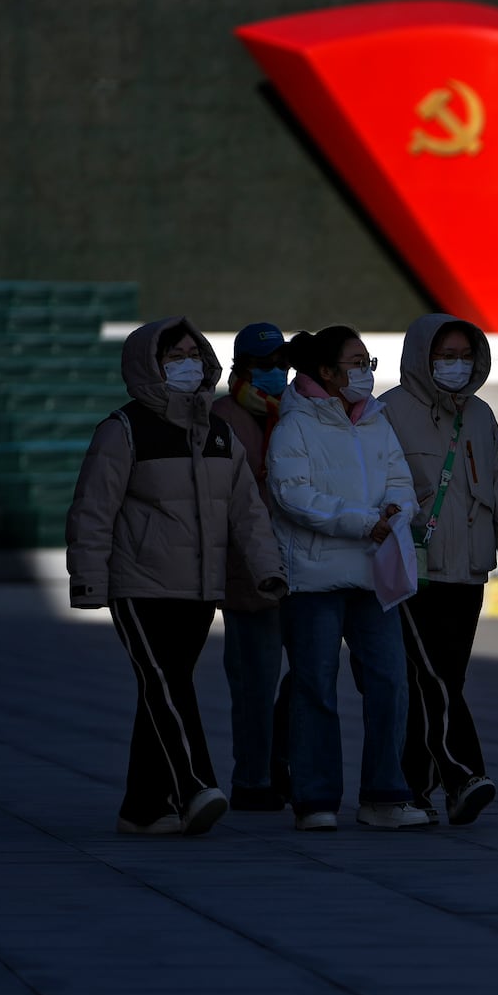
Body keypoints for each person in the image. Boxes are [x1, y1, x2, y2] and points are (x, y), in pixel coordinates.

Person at [66, 316, 286, 835]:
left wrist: (267, 570)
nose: (187, 363)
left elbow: (247, 512)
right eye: (174, 356)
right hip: (138, 585)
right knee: (165, 684)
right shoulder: (123, 430)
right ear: (150, 364)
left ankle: (142, 808)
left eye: (193, 353)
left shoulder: (216, 432)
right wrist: (89, 581)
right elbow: (93, 510)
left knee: (163, 689)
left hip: (198, 588)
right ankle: (194, 785)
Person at [267, 326, 428, 832]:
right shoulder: (294, 425)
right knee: (315, 686)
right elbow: (293, 495)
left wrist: (398, 511)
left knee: (391, 683)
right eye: (356, 363)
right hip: (314, 577)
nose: (365, 372)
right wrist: (364, 521)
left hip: (373, 572)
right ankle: (315, 798)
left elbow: (400, 479)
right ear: (327, 373)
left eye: (368, 361)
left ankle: (385, 793)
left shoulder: (377, 420)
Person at [379, 313, 498, 826]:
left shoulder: (481, 415)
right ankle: (464, 775)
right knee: (434, 676)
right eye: (447, 356)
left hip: (468, 572)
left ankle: (415, 789)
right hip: (415, 570)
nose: (457, 366)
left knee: (443, 679)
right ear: (423, 357)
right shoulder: (389, 412)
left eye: (465, 356)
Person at [210, 321, 291, 811]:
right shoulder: (220, 416)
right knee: (253, 682)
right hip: (248, 568)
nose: (274, 372)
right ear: (241, 367)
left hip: (303, 563)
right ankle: (253, 778)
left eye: (280, 363)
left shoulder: (297, 411)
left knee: (309, 676)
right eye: (263, 365)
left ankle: (280, 760)